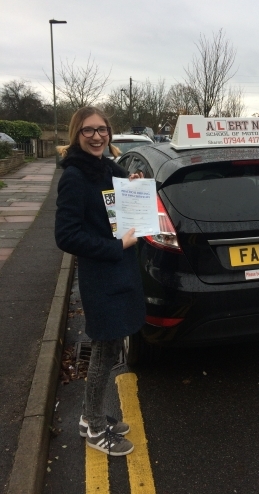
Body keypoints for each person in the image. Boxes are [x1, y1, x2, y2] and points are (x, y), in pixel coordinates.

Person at [55, 106, 146, 456]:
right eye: (89, 131)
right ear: (78, 135)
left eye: (102, 130)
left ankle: (88, 416)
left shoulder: (110, 169)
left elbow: (114, 209)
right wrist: (115, 245)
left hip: (121, 270)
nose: (97, 136)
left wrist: (132, 189)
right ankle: (93, 426)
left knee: (110, 349)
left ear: (109, 133)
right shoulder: (75, 177)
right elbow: (66, 236)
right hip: (101, 273)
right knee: (104, 349)